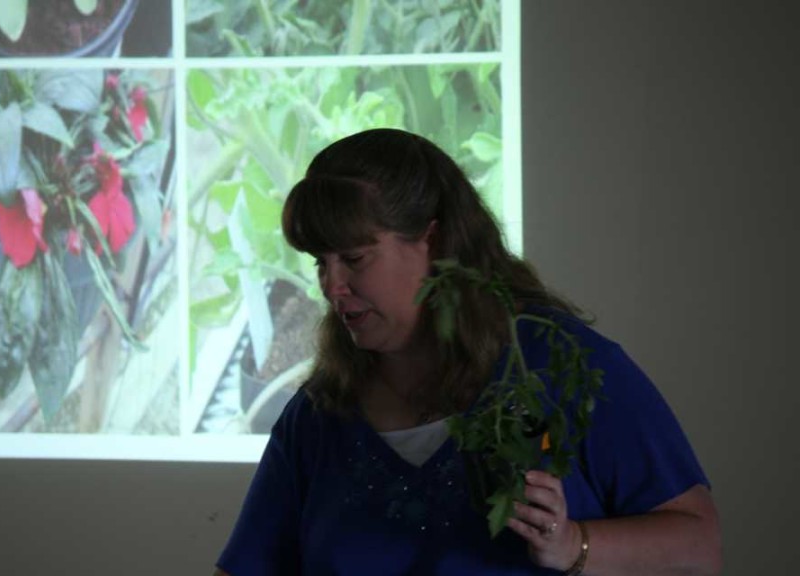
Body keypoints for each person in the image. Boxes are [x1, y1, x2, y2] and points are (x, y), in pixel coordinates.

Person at [213, 128, 721, 575]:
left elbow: (698, 546)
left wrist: (573, 546)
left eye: (353, 258)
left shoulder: (562, 368)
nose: (332, 285)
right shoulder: (319, 416)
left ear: (432, 242)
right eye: (320, 263)